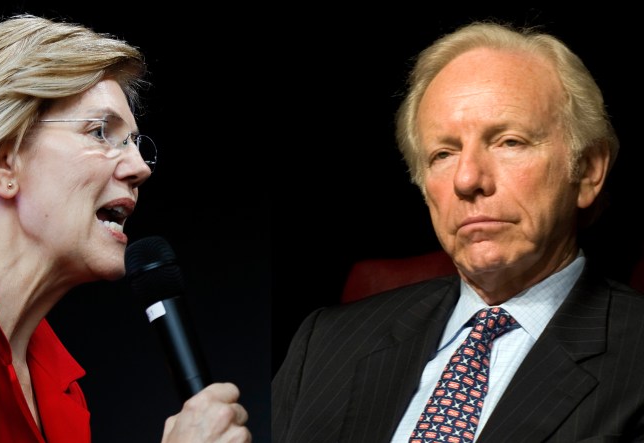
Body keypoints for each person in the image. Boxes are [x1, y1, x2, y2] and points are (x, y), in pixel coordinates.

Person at [0, 14, 251, 443]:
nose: (140, 167)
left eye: (134, 143)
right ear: (1, 162)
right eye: (100, 132)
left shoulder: (61, 389)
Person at [272, 20, 644, 443]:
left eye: (509, 142)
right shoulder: (325, 346)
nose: (467, 179)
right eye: (443, 153)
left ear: (589, 169)